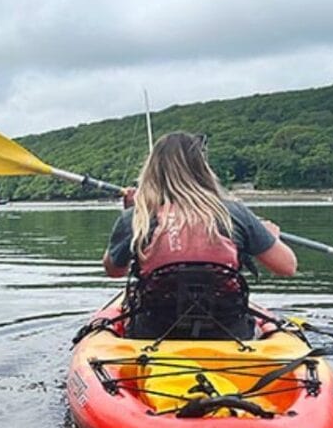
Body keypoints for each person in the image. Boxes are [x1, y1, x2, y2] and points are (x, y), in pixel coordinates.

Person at [102, 132, 296, 338]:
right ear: (202, 169)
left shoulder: (136, 218)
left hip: (155, 331)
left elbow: (115, 270)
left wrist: (130, 218)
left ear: (151, 171)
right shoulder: (235, 213)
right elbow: (287, 267)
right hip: (227, 331)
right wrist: (271, 237)